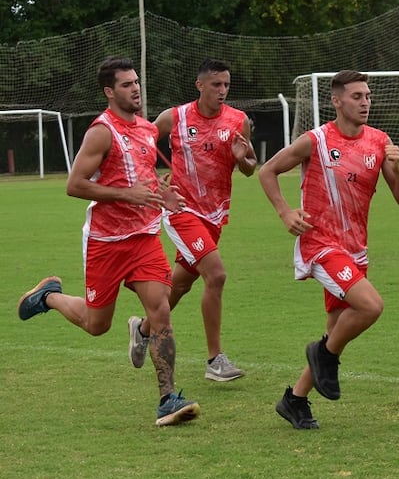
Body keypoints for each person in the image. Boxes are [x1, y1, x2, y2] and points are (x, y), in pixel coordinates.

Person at [16, 56, 200, 426]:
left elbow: (144, 182)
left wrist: (160, 197)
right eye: (127, 84)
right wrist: (125, 195)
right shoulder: (101, 131)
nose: (136, 89)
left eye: (136, 83)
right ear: (109, 92)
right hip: (107, 241)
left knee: (161, 309)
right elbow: (75, 185)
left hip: (144, 237)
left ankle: (168, 398)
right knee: (96, 324)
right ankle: (49, 295)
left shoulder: (148, 130)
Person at [258, 70, 399, 429]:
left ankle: (294, 400)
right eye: (357, 96)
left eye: (368, 96)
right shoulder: (314, 140)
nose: (365, 103)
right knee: (371, 306)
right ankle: (322, 354)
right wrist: (285, 212)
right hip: (320, 244)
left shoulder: (379, 142)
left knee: (337, 330)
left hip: (355, 249)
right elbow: (268, 171)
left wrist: (397, 168)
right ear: (336, 101)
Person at [128, 58, 257, 382]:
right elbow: (138, 147)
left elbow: (250, 167)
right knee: (216, 275)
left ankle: (142, 329)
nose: (223, 91)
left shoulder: (238, 121)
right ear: (200, 85)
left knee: (182, 284)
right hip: (181, 210)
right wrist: (157, 182)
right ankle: (215, 360)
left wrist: (244, 161)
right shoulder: (175, 117)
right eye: (216, 84)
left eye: (226, 84)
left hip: (215, 215)